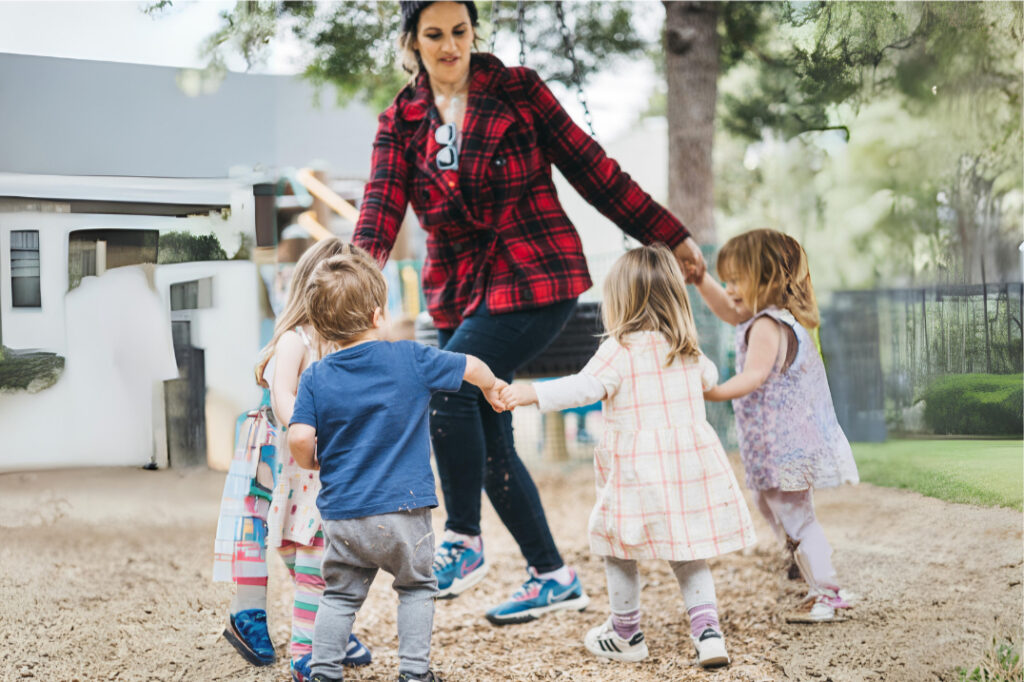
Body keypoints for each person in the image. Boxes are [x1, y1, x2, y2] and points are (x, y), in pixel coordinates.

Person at [353, 0, 707, 625]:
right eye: (434, 35)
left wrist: (669, 235)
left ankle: (462, 540)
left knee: (449, 387)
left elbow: (594, 171)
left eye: (459, 32)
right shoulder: (400, 122)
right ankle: (553, 573)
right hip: (464, 291)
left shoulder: (517, 90)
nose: (450, 47)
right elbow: (379, 213)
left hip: (537, 273)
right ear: (412, 41)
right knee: (487, 425)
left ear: (473, 32)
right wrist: (348, 288)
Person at [500, 245, 756, 668]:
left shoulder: (619, 349)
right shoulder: (687, 348)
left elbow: (582, 388)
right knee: (689, 552)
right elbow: (709, 379)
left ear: (620, 301)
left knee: (617, 546)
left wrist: (532, 392)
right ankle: (708, 633)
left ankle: (625, 634)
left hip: (638, 472)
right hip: (686, 469)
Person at [287, 247, 507, 682]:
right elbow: (472, 366)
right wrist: (491, 386)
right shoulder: (410, 358)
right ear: (376, 316)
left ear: (324, 327)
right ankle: (413, 673)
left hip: (345, 513)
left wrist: (312, 460)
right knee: (417, 588)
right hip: (405, 511)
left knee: (339, 597)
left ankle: (324, 671)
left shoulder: (315, 376)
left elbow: (298, 437)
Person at [694, 228, 859, 622]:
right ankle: (809, 572)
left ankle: (827, 591)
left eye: (737, 280)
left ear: (766, 279)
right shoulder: (763, 318)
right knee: (772, 504)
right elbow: (730, 311)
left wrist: (708, 391)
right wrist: (701, 280)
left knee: (797, 515)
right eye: (727, 280)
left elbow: (752, 376)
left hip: (785, 445)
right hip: (776, 445)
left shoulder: (767, 326)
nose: (730, 288)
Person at [242, 238, 373, 680]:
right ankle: (306, 653)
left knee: (324, 566)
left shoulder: (339, 344)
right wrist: (309, 425)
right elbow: (282, 396)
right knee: (312, 565)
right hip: (304, 474)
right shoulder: (296, 341)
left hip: (326, 476)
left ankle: (332, 635)